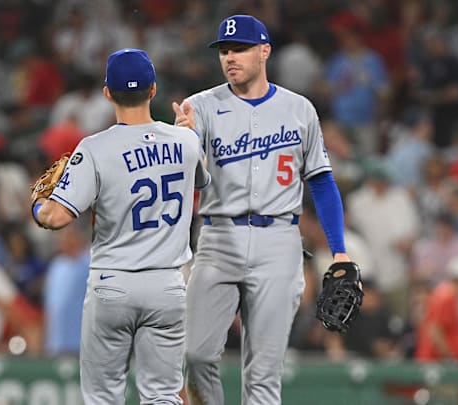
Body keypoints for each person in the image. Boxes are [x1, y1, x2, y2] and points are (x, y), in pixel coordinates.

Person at [172, 15, 355, 405]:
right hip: (218, 237)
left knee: (264, 373)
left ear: (264, 50)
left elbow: (321, 181)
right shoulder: (200, 106)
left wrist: (338, 249)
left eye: (239, 49)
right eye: (224, 50)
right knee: (195, 353)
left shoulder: (299, 109)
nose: (230, 57)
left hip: (279, 240)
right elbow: (186, 174)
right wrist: (184, 142)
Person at [32, 48, 210, 405]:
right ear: (153, 90)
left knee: (103, 398)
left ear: (107, 93)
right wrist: (187, 132)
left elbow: (56, 218)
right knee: (163, 396)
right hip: (168, 285)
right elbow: (202, 178)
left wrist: (37, 203)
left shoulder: (96, 148)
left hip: (113, 283)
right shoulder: (186, 142)